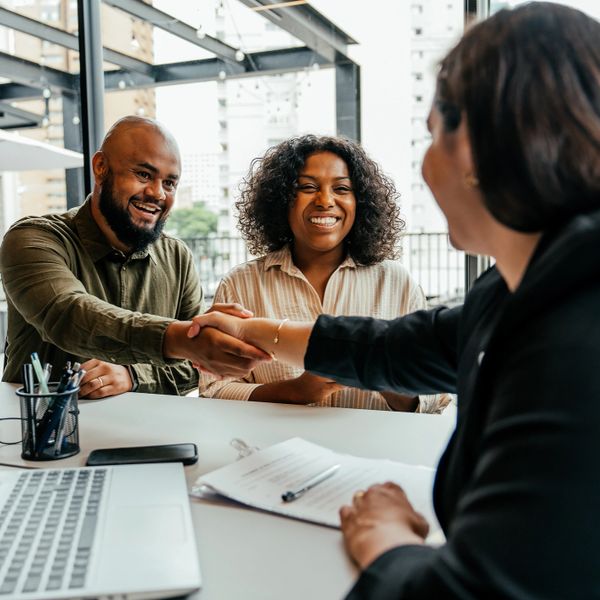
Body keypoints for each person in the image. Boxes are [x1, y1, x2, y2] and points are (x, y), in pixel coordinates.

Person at [187, 3, 600, 597]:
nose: (426, 163)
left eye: (431, 133)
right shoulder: (518, 288)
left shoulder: (574, 341)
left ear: (482, 148)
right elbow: (401, 345)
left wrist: (385, 540)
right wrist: (257, 334)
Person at [0, 116, 268, 398]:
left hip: (151, 435)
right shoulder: (33, 238)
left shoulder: (177, 256)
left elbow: (197, 369)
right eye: (143, 175)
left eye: (169, 183)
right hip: (47, 434)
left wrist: (134, 375)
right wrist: (181, 340)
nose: (157, 193)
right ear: (101, 167)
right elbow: (69, 315)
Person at [200, 135, 447, 412]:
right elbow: (214, 390)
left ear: (360, 202)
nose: (325, 200)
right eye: (307, 187)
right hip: (271, 450)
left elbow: (434, 397)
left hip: (374, 451)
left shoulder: (396, 282)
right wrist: (293, 392)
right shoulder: (241, 284)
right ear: (281, 199)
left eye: (342, 188)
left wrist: (379, 370)